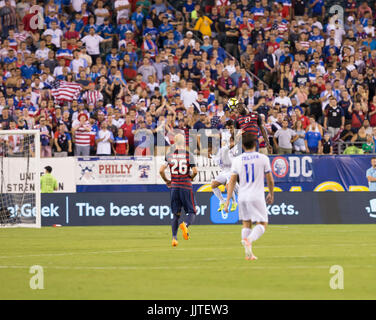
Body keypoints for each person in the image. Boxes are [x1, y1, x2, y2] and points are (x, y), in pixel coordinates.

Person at [224, 133, 274, 261]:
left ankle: (249, 254)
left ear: (243, 146)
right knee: (263, 223)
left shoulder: (237, 160)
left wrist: (227, 200)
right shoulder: (263, 158)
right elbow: (270, 179)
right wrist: (271, 193)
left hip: (242, 196)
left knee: (246, 223)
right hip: (256, 195)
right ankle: (249, 240)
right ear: (255, 144)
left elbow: (232, 182)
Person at [159, 134, 198, 247]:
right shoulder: (188, 155)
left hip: (174, 186)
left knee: (176, 214)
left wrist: (167, 181)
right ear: (184, 142)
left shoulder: (169, 155)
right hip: (185, 186)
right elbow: (195, 171)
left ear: (174, 142)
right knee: (192, 211)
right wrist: (191, 177)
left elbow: (161, 170)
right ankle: (185, 225)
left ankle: (174, 239)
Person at [211, 136, 238, 212]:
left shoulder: (223, 149)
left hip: (232, 170)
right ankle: (222, 201)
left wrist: (238, 136)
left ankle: (234, 202)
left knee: (228, 185)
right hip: (224, 172)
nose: (209, 150)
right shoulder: (213, 155)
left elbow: (233, 144)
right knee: (213, 185)